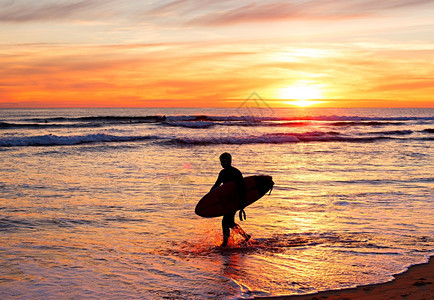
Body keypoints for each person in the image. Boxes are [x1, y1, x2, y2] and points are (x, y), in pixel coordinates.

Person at [211, 153, 251, 247]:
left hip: (235, 200)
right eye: (221, 162)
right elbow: (217, 185)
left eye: (224, 161)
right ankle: (245, 236)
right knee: (229, 222)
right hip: (227, 200)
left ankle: (225, 242)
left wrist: (242, 203)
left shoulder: (236, 172)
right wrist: (210, 194)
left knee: (226, 222)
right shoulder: (222, 173)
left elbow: (243, 188)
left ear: (229, 161)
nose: (222, 163)